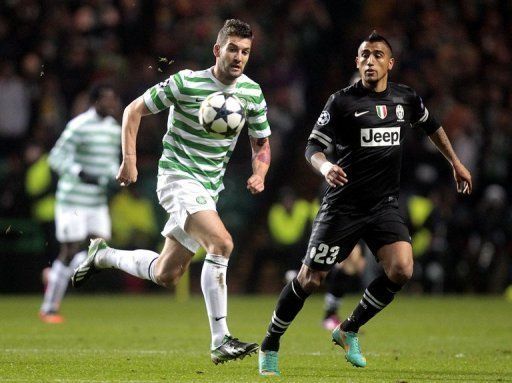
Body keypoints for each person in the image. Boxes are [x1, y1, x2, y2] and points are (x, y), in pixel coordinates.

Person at [258, 31, 472, 376]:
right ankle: (270, 343)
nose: (370, 60)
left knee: (402, 268)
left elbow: (432, 126)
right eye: (364, 55)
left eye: (377, 55)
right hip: (342, 206)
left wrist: (455, 163)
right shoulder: (341, 102)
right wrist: (326, 166)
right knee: (310, 279)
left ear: (390, 63)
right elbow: (312, 147)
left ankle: (349, 328)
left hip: (383, 205)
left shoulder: (406, 99)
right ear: (357, 62)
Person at [72, 19, 271, 364]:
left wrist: (261, 170)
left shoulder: (251, 93)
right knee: (222, 243)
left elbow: (261, 141)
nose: (239, 57)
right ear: (217, 49)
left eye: (245, 51)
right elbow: (133, 110)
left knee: (167, 273)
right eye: (233, 49)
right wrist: (130, 160)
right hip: (177, 178)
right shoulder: (186, 83)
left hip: (209, 188)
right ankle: (220, 339)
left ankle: (102, 256)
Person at [39, 84, 121, 323]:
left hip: (96, 201)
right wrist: (79, 171)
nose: (111, 104)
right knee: (71, 248)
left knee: (99, 251)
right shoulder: (78, 126)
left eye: (113, 100)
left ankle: (54, 274)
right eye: (106, 100)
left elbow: (109, 162)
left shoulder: (114, 129)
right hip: (72, 198)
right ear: (94, 102)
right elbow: (56, 157)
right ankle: (49, 308)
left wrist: (115, 176)